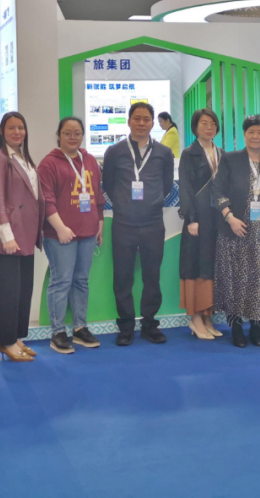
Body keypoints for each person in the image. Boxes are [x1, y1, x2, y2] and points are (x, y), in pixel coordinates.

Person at [101, 102, 175, 346]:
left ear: (153, 123)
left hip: (153, 223)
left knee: (152, 277)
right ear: (129, 121)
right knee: (122, 277)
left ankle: (149, 324)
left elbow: (166, 186)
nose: (141, 123)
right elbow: (108, 184)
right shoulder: (115, 151)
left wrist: (151, 201)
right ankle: (126, 326)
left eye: (146, 119)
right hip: (124, 224)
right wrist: (124, 204)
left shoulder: (164, 152)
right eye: (137, 118)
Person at [38, 117, 104, 354]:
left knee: (81, 281)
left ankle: (79, 328)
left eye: (77, 133)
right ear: (59, 135)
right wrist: (60, 227)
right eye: (67, 133)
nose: (72, 137)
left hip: (87, 232)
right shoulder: (48, 164)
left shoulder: (90, 161)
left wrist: (99, 223)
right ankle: (57, 332)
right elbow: (46, 200)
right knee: (61, 281)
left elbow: (97, 195)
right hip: (59, 235)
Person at [213, 115, 260, 347]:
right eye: (251, 132)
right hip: (236, 229)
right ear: (244, 134)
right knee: (235, 279)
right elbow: (217, 190)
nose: (255, 136)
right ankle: (237, 328)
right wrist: (229, 217)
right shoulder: (230, 159)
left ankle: (257, 328)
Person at [0, 112, 45, 362]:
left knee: (23, 289)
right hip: (10, 236)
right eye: (11, 128)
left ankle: (17, 337)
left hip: (27, 233)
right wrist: (5, 234)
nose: (17, 132)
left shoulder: (23, 158)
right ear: (2, 131)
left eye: (21, 127)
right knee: (9, 292)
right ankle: (6, 341)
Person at [178, 108, 224, 341]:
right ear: (195, 127)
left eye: (213, 123)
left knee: (211, 265)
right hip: (198, 219)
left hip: (217, 219)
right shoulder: (189, 153)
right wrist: (191, 218)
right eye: (204, 123)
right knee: (195, 264)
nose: (209, 127)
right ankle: (195, 318)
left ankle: (207, 316)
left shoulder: (222, 153)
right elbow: (185, 187)